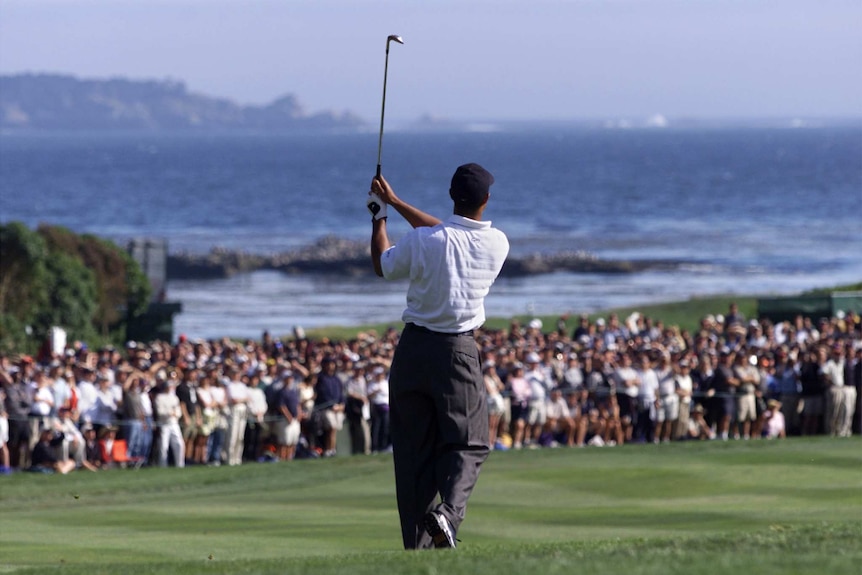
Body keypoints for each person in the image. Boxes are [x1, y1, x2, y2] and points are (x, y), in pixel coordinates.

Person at [368, 163, 509, 549]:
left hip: (411, 353)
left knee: (414, 457)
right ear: (487, 200)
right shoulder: (498, 242)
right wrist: (394, 202)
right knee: (470, 443)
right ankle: (447, 516)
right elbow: (448, 233)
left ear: (451, 196)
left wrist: (381, 215)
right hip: (457, 353)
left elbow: (383, 264)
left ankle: (418, 551)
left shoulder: (425, 241)